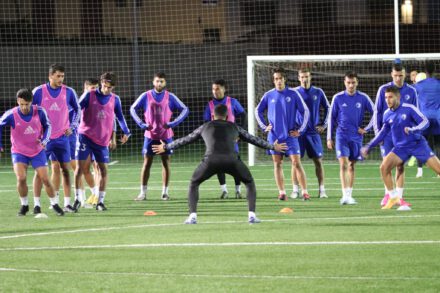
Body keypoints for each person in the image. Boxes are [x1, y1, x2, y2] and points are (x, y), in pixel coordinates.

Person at [152, 104, 288, 224]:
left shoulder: (205, 126)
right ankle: (251, 215)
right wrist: (272, 146)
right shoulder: (234, 126)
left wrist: (167, 147)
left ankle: (192, 216)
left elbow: (185, 140)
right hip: (232, 161)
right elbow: (254, 139)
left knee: (194, 183)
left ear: (212, 115)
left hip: (210, 161)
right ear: (227, 116)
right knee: (249, 182)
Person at [361, 86, 440, 209]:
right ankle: (393, 197)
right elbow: (383, 132)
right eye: (386, 97)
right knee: (384, 168)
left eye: (390, 97)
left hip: (418, 145)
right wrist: (369, 146)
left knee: (439, 169)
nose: (388, 100)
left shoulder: (409, 108)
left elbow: (425, 122)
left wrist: (414, 129)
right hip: (401, 148)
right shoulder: (387, 114)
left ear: (398, 97)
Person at [0, 88, 64, 216]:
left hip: (37, 150)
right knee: (21, 178)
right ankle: (24, 205)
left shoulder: (39, 111)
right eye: (21, 104)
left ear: (31, 102)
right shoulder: (11, 114)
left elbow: (48, 126)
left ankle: (54, 203)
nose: (24, 107)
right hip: (19, 152)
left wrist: (45, 140)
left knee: (45, 178)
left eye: (27, 104)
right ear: (18, 101)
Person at [73, 72, 130, 211]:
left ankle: (100, 202)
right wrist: (71, 124)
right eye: (104, 85)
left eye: (109, 87)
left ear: (113, 87)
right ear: (101, 82)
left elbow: (120, 117)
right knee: (79, 168)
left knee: (103, 170)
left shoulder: (115, 99)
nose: (106, 89)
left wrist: (127, 131)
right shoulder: (89, 95)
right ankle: (77, 200)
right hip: (85, 136)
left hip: (102, 141)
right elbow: (76, 109)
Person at [131, 72, 189, 201]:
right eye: (157, 81)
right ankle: (143, 193)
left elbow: (185, 109)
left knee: (166, 163)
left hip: (165, 136)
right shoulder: (146, 96)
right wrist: (141, 123)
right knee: (147, 163)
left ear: (165, 83)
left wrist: (173, 123)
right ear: (153, 82)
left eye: (162, 81)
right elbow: (132, 108)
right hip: (150, 136)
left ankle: (165, 192)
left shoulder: (170, 97)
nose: (159, 83)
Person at [255, 67, 311, 201]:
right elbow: (257, 111)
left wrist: (300, 130)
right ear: (273, 81)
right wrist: (264, 126)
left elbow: (306, 111)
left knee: (296, 162)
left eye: (280, 78)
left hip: (291, 136)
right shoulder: (269, 95)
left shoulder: (293, 94)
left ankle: (305, 192)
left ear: (284, 79)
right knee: (277, 164)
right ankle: (282, 192)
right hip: (274, 136)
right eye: (276, 79)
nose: (278, 81)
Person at [32, 63, 80, 213]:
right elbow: (31, 114)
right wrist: (36, 134)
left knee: (65, 170)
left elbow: (77, 110)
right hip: (45, 141)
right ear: (50, 76)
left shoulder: (69, 92)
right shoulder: (39, 92)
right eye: (58, 76)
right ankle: (36, 205)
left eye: (62, 76)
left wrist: (72, 127)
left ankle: (67, 203)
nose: (61, 79)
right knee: (39, 172)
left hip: (62, 139)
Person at [373, 63, 417, 207]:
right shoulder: (383, 90)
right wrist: (377, 133)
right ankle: (388, 195)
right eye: (396, 75)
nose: (398, 78)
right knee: (386, 165)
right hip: (387, 135)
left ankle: (399, 197)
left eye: (401, 75)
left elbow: (415, 113)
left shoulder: (411, 91)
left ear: (405, 75)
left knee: (400, 166)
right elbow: (377, 112)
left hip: (404, 136)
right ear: (392, 75)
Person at [327, 71, 374, 205]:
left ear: (357, 82)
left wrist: (366, 128)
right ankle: (344, 195)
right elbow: (331, 118)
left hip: (356, 138)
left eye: (353, 82)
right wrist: (329, 138)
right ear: (344, 82)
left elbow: (375, 113)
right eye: (348, 82)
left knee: (352, 165)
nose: (351, 85)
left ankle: (350, 195)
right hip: (341, 136)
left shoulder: (363, 98)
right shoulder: (338, 98)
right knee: (343, 164)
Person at [203, 79, 246, 199]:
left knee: (236, 164)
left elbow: (243, 115)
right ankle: (224, 191)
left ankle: (238, 190)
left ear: (224, 89)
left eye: (217, 88)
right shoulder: (210, 105)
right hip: (216, 140)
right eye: (213, 89)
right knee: (218, 165)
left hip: (231, 139)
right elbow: (206, 121)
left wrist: (239, 132)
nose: (215, 91)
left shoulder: (232, 102)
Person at [292, 68, 330, 199]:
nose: (304, 79)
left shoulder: (318, 92)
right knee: (295, 162)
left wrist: (324, 125)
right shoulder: (294, 92)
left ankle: (322, 190)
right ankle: (295, 190)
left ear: (310, 77)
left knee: (318, 161)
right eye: (302, 77)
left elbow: (328, 108)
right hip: (298, 133)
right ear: (298, 78)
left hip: (313, 132)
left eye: (306, 76)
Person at [413, 61, 440, 178]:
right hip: (437, 117)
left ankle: (420, 170)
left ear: (425, 71)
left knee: (420, 143)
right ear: (434, 70)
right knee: (438, 144)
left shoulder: (418, 85)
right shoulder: (438, 84)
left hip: (424, 119)